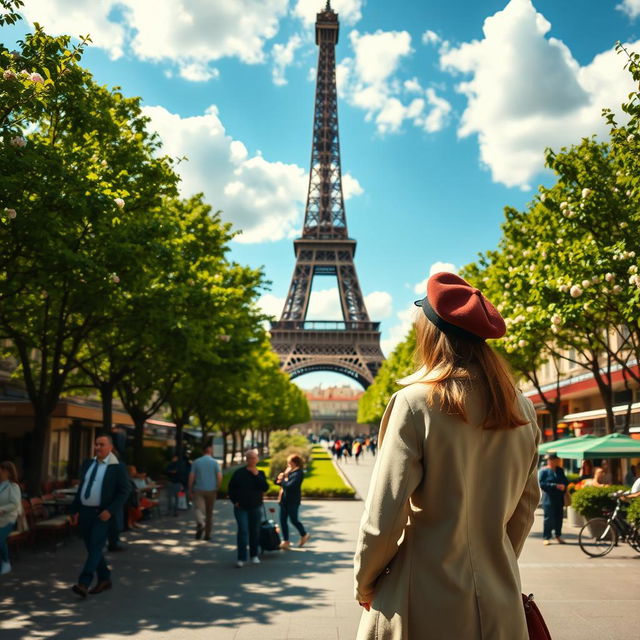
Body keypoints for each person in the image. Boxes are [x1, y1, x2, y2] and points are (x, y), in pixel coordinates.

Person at [353, 272, 540, 640]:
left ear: (431, 333)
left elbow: (385, 516)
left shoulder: (415, 402)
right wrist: (495, 563)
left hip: (421, 600)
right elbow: (524, 511)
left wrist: (365, 581)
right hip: (499, 606)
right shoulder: (522, 409)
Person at [68, 434, 130, 598]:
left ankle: (84, 583)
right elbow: (82, 488)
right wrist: (74, 510)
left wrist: (110, 510)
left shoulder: (117, 467)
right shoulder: (88, 463)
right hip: (85, 512)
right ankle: (105, 579)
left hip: (102, 514)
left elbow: (125, 491)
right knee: (92, 548)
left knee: (96, 546)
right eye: (96, 444)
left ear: (110, 448)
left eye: (101, 445)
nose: (97, 448)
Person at [228, 449, 268, 568]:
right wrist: (235, 501)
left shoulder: (260, 473)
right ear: (246, 459)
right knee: (243, 531)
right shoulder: (239, 473)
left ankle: (254, 554)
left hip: (255, 506)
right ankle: (241, 557)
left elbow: (265, 487)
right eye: (249, 457)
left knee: (254, 531)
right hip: (241, 507)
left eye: (254, 457)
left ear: (257, 459)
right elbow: (231, 489)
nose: (252, 460)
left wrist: (256, 475)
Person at [275, 454, 310, 550]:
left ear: (295, 463)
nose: (288, 465)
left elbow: (289, 486)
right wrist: (281, 477)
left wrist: (283, 479)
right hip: (284, 501)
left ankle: (304, 534)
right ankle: (286, 541)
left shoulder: (298, 473)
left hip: (292, 501)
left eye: (289, 463)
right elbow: (277, 482)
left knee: (293, 520)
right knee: (282, 520)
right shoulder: (289, 471)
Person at [188, 441, 222, 541]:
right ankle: (207, 535)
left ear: (202, 451)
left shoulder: (196, 462)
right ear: (210, 450)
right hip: (211, 490)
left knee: (198, 508)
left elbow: (191, 476)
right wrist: (217, 487)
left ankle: (200, 523)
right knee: (209, 513)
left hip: (199, 489)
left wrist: (190, 489)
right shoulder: (214, 462)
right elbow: (219, 476)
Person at [538, 453, 569, 545]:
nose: (551, 461)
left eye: (553, 460)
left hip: (559, 498)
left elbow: (565, 480)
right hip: (548, 498)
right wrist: (555, 486)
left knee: (559, 518)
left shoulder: (560, 470)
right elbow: (541, 484)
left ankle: (558, 536)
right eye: (550, 460)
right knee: (548, 518)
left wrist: (564, 486)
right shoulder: (544, 471)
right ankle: (546, 537)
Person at [0, 461, 22, 576]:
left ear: (8, 472)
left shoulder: (13, 486)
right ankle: (4, 563)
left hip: (8, 520)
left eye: (2, 470)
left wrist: (2, 509)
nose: (0, 473)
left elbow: (14, 504)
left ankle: (5, 562)